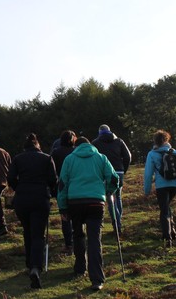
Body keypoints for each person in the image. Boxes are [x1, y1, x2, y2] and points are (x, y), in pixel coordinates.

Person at [57, 136, 119, 291]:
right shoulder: (100, 158)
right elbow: (113, 178)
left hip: (75, 202)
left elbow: (62, 184)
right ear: (89, 144)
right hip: (95, 201)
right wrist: (108, 191)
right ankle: (97, 279)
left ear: (76, 146)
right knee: (94, 239)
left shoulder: (69, 159)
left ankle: (79, 268)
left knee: (77, 235)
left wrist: (63, 207)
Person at [7, 133, 58, 289]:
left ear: (25, 146)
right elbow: (53, 179)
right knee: (38, 234)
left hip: (22, 199)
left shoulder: (18, 158)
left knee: (27, 230)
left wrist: (19, 188)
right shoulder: (46, 158)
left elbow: (10, 178)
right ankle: (36, 267)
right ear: (38, 145)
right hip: (40, 198)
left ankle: (29, 263)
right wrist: (49, 189)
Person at [143, 130, 176, 248]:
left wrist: (147, 190)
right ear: (166, 140)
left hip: (161, 185)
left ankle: (167, 238)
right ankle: (173, 231)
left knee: (164, 210)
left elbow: (148, 174)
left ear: (155, 141)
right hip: (175, 184)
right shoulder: (173, 151)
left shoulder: (152, 154)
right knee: (167, 207)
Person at [91, 124, 131, 236]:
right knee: (117, 197)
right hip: (119, 172)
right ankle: (118, 221)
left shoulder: (95, 143)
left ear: (99, 132)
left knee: (109, 199)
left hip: (105, 173)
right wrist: (124, 169)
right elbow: (128, 156)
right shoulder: (119, 141)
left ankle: (116, 225)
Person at [49, 129, 76, 253]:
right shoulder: (75, 152)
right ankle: (77, 239)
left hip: (62, 186)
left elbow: (51, 169)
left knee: (65, 216)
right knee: (76, 215)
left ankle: (68, 243)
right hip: (76, 185)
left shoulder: (55, 152)